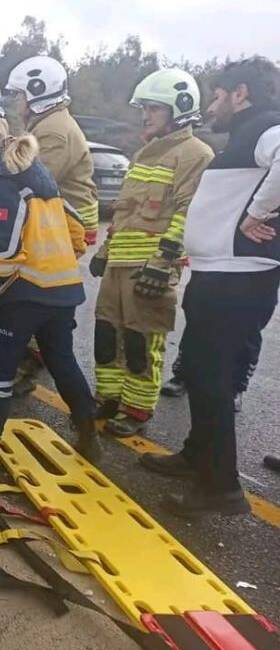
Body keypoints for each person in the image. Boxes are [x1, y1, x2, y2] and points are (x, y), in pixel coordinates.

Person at [140, 57, 280, 517]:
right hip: (222, 274)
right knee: (202, 371)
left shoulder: (265, 124)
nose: (213, 103)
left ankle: (220, 489)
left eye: (218, 94)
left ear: (240, 93)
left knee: (209, 378)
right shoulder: (248, 135)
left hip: (237, 279)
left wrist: (257, 213)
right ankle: (197, 455)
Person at [0, 123, 98, 481]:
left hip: (24, 295)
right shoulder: (37, 174)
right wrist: (59, 259)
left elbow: (7, 249)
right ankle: (90, 437)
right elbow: (75, 226)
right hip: (62, 290)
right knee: (63, 363)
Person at [88, 69, 213, 438]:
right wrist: (107, 248)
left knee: (142, 342)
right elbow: (125, 211)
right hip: (119, 264)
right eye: (144, 108)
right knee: (107, 334)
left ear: (180, 108)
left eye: (153, 109)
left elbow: (187, 212)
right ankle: (108, 397)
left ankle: (137, 409)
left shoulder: (195, 154)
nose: (145, 116)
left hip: (151, 267)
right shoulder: (144, 154)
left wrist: (163, 262)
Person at [5, 56, 100, 395]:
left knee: (32, 295)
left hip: (64, 226)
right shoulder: (48, 124)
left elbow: (35, 180)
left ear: (36, 92)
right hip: (59, 223)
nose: (17, 102)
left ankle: (29, 362)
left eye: (20, 95)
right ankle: (32, 356)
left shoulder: (54, 130)